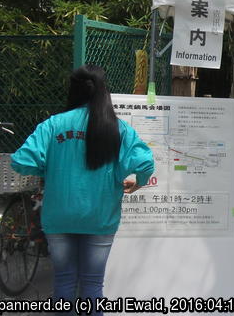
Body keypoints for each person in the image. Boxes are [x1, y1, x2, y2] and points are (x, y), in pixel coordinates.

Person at [11, 64, 154, 312]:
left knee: (64, 281)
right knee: (92, 284)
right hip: (100, 218)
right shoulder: (117, 128)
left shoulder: (53, 125)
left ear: (74, 90)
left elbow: (21, 161)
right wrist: (138, 183)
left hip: (58, 216)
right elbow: (145, 163)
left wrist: (48, 169)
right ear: (103, 91)